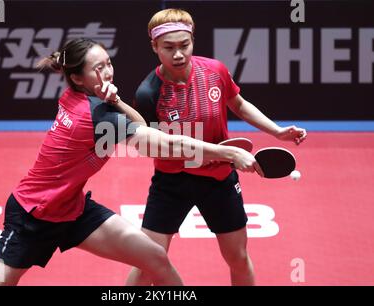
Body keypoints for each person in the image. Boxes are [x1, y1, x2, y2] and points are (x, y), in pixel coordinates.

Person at [0, 38, 259, 286]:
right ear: (78, 78)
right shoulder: (94, 114)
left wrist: (117, 101)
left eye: (108, 63)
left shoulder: (77, 98)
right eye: (97, 69)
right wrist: (228, 154)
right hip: (33, 214)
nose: (108, 72)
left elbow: (141, 124)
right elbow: (165, 142)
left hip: (73, 209)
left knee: (154, 257)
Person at [126, 8, 307, 286]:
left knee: (237, 257)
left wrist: (277, 131)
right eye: (169, 47)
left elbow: (239, 104)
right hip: (172, 182)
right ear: (154, 47)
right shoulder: (149, 93)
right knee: (147, 262)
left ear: (193, 41)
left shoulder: (214, 70)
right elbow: (150, 146)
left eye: (184, 45)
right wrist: (210, 154)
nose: (178, 54)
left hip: (220, 179)